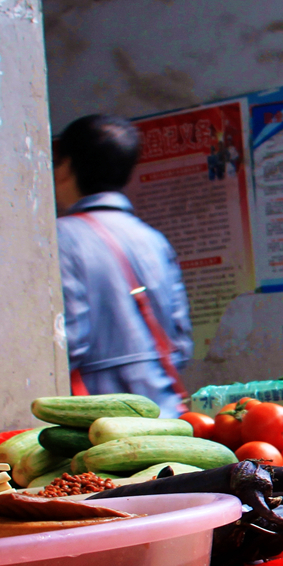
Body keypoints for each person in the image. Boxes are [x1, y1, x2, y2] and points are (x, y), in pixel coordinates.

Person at [53, 114, 194, 417]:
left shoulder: (60, 238)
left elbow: (69, 344)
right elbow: (180, 342)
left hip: (101, 422)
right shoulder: (153, 238)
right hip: (166, 414)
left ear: (66, 167)